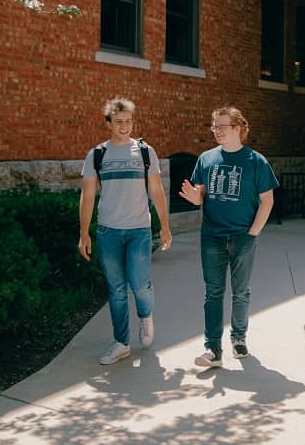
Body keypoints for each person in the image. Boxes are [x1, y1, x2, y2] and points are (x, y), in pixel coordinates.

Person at [178, 106, 278, 368]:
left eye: (222, 126)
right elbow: (202, 194)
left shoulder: (256, 161)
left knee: (241, 291)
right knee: (213, 292)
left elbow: (267, 200)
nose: (217, 131)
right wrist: (194, 197)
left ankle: (239, 339)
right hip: (212, 235)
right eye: (214, 126)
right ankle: (213, 348)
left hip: (243, 236)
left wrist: (253, 232)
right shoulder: (206, 159)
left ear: (237, 128)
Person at [79, 97, 172, 365]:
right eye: (118, 122)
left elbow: (156, 190)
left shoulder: (145, 152)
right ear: (108, 123)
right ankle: (121, 343)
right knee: (116, 289)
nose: (124, 126)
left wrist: (165, 226)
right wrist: (84, 233)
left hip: (139, 231)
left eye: (128, 121)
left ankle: (145, 317)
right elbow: (87, 196)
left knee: (140, 285)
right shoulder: (97, 154)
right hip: (108, 232)